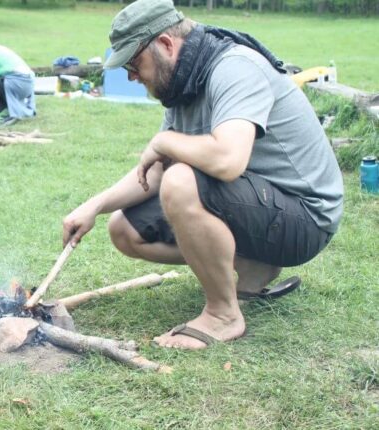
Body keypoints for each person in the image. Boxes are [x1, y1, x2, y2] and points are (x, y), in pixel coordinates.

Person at [62, 0, 343, 349]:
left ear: (165, 44)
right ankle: (253, 264)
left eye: (133, 63)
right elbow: (157, 171)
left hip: (307, 219)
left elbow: (227, 160)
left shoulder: (234, 68)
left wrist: (164, 140)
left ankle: (223, 315)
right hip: (261, 205)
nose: (131, 76)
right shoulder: (183, 83)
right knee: (123, 229)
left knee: (182, 180)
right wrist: (96, 204)